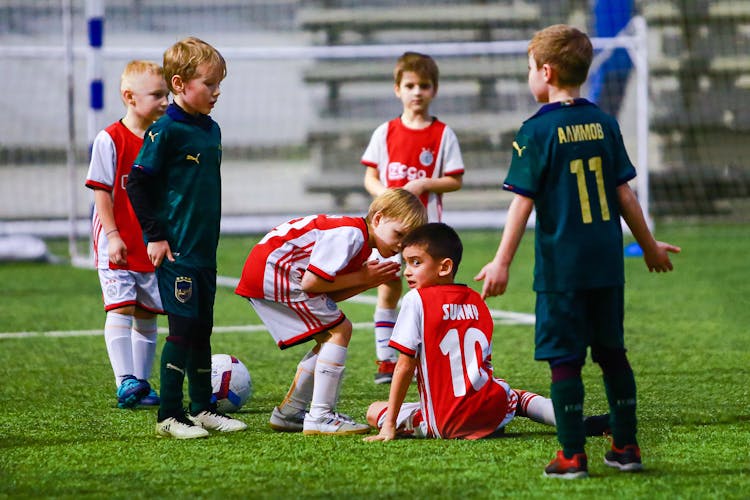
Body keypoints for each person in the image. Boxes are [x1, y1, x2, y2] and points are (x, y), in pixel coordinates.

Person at [474, 25, 681, 478]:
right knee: (612, 353)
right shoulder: (604, 122)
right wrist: (648, 246)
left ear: (545, 72)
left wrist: (501, 262)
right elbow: (625, 194)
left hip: (561, 272)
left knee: (564, 359)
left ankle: (571, 455)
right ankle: (626, 447)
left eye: (529, 68)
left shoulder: (536, 131)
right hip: (607, 266)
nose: (529, 76)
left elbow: (522, 202)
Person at [363, 223, 610, 442]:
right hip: (489, 409)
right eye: (406, 262)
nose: (407, 270)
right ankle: (573, 420)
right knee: (516, 396)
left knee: (374, 410)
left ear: (444, 266)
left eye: (416, 262)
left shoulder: (416, 299)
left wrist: (390, 424)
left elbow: (404, 366)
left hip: (445, 421)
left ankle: (401, 419)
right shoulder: (476, 300)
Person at [126, 37, 246, 439]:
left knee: (201, 329)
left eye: (219, 84)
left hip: (203, 250)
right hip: (175, 249)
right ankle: (169, 415)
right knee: (180, 331)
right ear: (179, 84)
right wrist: (155, 236)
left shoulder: (210, 128)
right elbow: (137, 182)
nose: (217, 92)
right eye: (209, 84)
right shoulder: (166, 129)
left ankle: (203, 407)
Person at [235, 188, 428, 435]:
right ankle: (320, 416)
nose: (400, 245)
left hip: (271, 270)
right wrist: (362, 276)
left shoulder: (357, 239)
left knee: (331, 334)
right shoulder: (351, 235)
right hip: (275, 271)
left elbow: (327, 295)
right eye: (398, 234)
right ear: (378, 219)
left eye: (407, 241)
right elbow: (311, 284)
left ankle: (291, 413)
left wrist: (366, 281)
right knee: (340, 331)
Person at [361, 52, 464, 384]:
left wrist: (422, 184)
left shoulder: (443, 134)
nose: (416, 92)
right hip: (390, 231)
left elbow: (455, 180)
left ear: (434, 90)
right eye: (410, 85)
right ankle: (385, 360)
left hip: (425, 232)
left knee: (426, 293)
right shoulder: (385, 132)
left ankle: (427, 356)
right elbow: (370, 177)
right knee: (389, 289)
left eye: (424, 86)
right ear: (397, 89)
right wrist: (385, 196)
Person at [84, 60, 169, 409]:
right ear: (130, 97)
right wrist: (114, 235)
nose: (165, 102)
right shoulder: (110, 139)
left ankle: (141, 383)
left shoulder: (161, 138)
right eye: (157, 95)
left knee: (147, 312)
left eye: (167, 94)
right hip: (117, 241)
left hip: (148, 243)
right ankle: (125, 381)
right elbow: (102, 191)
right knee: (120, 309)